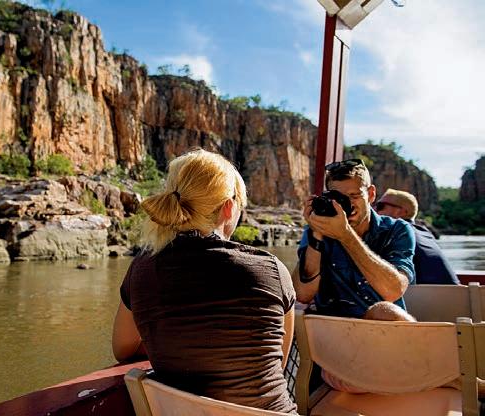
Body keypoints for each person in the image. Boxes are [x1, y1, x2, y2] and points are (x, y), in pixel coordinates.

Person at [112, 149, 297, 414]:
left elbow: (122, 349)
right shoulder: (271, 271)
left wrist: (174, 341)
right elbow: (277, 365)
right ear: (228, 207)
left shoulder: (141, 269)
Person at [293, 158, 416, 319]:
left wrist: (346, 236)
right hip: (333, 326)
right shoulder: (318, 229)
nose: (348, 204)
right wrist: (317, 234)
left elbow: (393, 291)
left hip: (383, 326)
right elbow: (302, 295)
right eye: (339, 198)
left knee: (384, 310)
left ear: (371, 194)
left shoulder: (397, 230)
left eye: (354, 195)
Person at [375, 188, 460, 285]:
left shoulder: (395, 234)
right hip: (455, 292)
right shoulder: (424, 233)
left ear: (402, 212)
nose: (374, 210)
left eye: (380, 206)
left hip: (426, 293)